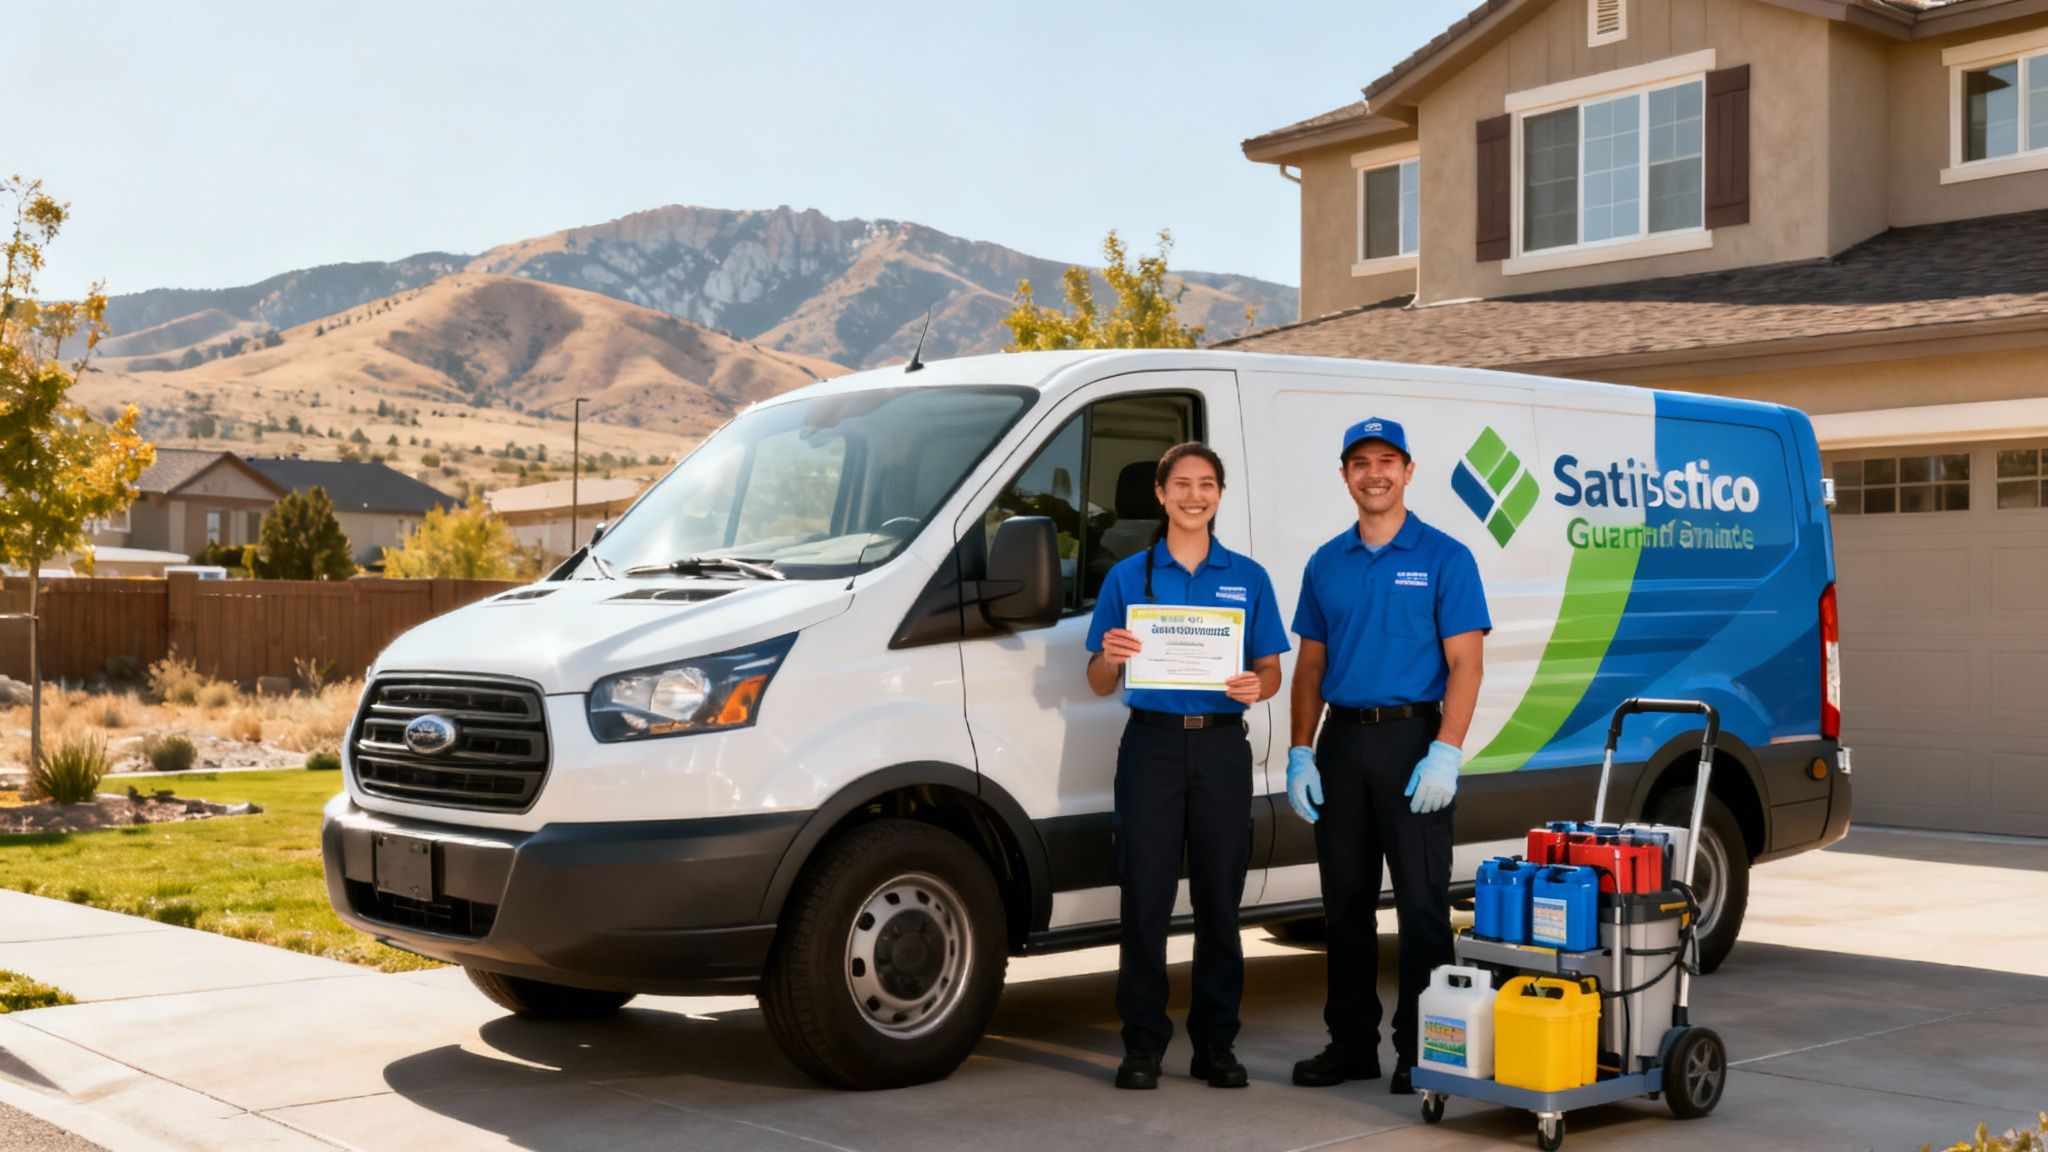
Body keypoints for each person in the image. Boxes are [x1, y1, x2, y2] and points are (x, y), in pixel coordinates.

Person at [1283, 417, 1489, 1095]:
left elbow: (1466, 665)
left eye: (1388, 461)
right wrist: (1300, 753)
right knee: (1342, 907)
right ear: (1345, 475)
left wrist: (1445, 752)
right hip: (1341, 743)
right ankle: (1350, 1045)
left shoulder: (1446, 557)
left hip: (1413, 743)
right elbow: (1309, 670)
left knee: (1423, 908)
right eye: (1361, 462)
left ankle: (1422, 1050)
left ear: (1408, 470)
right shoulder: (1325, 563)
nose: (1375, 473)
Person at [1085, 442, 1290, 1090]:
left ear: (1219, 495)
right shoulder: (1128, 577)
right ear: (1160, 493)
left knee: (1218, 902)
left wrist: (1259, 688)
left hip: (1222, 748)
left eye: (1206, 485)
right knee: (1144, 899)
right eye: (1182, 485)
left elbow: (1272, 670)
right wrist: (1112, 657)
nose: (1194, 496)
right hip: (1151, 748)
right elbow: (1095, 680)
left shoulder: (1248, 577)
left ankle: (1215, 1046)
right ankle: (1142, 1044)